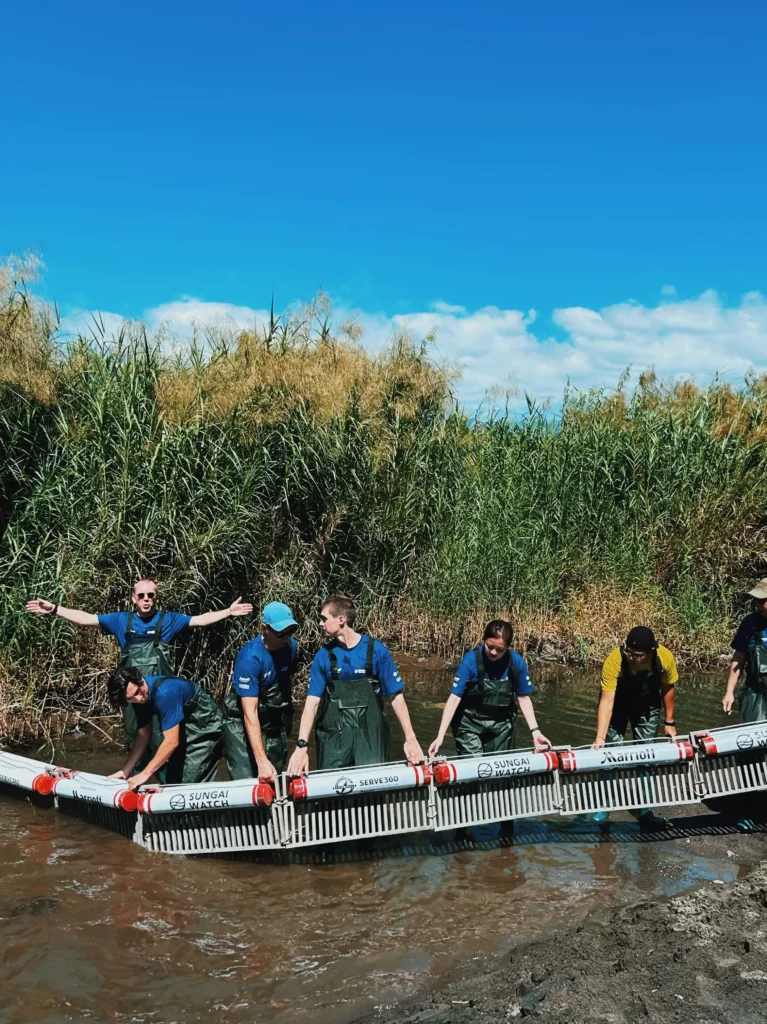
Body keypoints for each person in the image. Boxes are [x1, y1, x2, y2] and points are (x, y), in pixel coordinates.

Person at [26, 580, 252, 763]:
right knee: (137, 734)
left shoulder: (168, 620)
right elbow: (86, 619)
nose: (146, 599)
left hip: (160, 693)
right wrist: (55, 609)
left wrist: (228, 612)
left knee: (166, 735)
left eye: (150, 595)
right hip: (133, 695)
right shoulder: (121, 620)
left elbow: (200, 620)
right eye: (141, 595)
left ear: (156, 597)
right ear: (134, 598)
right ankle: (136, 773)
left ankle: (167, 775)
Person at [286, 595, 424, 775]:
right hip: (334, 740)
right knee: (333, 798)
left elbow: (396, 697)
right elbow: (312, 704)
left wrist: (410, 738)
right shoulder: (323, 656)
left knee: (372, 795)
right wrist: (301, 746)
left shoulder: (377, 651)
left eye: (324, 618)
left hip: (370, 738)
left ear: (341, 620)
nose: (320, 623)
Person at [591, 625, 679, 830]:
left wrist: (670, 721)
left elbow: (668, 689)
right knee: (609, 755)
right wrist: (600, 737)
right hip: (618, 706)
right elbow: (606, 701)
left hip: (647, 707)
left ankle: (644, 809)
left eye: (637, 655)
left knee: (647, 757)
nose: (631, 657)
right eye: (628, 652)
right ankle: (604, 804)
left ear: (650, 652)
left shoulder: (663, 658)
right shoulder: (615, 660)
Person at [428, 619, 551, 758]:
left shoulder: (516, 663)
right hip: (469, 723)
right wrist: (440, 737)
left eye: (500, 650)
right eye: (489, 646)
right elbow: (454, 698)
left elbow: (523, 698)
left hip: (501, 725)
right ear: (484, 640)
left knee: (499, 771)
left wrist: (535, 732)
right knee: (475, 766)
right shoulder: (470, 661)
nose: (493, 652)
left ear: (508, 648)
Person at [106, 665, 223, 790]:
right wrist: (125, 771)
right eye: (131, 698)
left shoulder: (165, 694)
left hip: (205, 728)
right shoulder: (138, 699)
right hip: (182, 729)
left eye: (137, 692)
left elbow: (172, 742)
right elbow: (143, 735)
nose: (139, 698)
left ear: (140, 678)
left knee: (188, 783)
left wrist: (144, 774)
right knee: (171, 779)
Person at [222, 602, 300, 782]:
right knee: (251, 780)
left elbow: (285, 682)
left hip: (272, 717)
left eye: (291, 632)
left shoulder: (290, 647)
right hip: (241, 722)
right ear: (264, 628)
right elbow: (250, 713)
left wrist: (288, 715)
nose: (286, 638)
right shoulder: (250, 659)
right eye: (281, 634)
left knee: (277, 778)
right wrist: (261, 760)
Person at [720, 578, 767, 831]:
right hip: (755, 694)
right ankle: (745, 808)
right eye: (756, 600)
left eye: (763, 600)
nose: (758, 604)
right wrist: (729, 692)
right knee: (748, 749)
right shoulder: (749, 624)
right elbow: (738, 658)